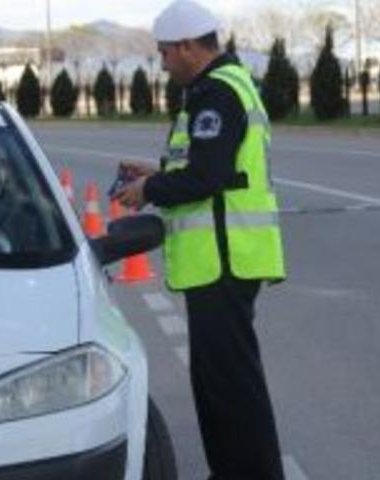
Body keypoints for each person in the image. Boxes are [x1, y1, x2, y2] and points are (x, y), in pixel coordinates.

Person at [113, 1, 287, 479]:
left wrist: (149, 189)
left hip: (224, 259)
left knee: (230, 385)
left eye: (166, 53)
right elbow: (212, 168)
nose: (164, 64)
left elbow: (207, 177)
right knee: (222, 382)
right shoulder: (219, 88)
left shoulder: (217, 94)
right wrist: (158, 172)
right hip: (223, 260)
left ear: (189, 47)